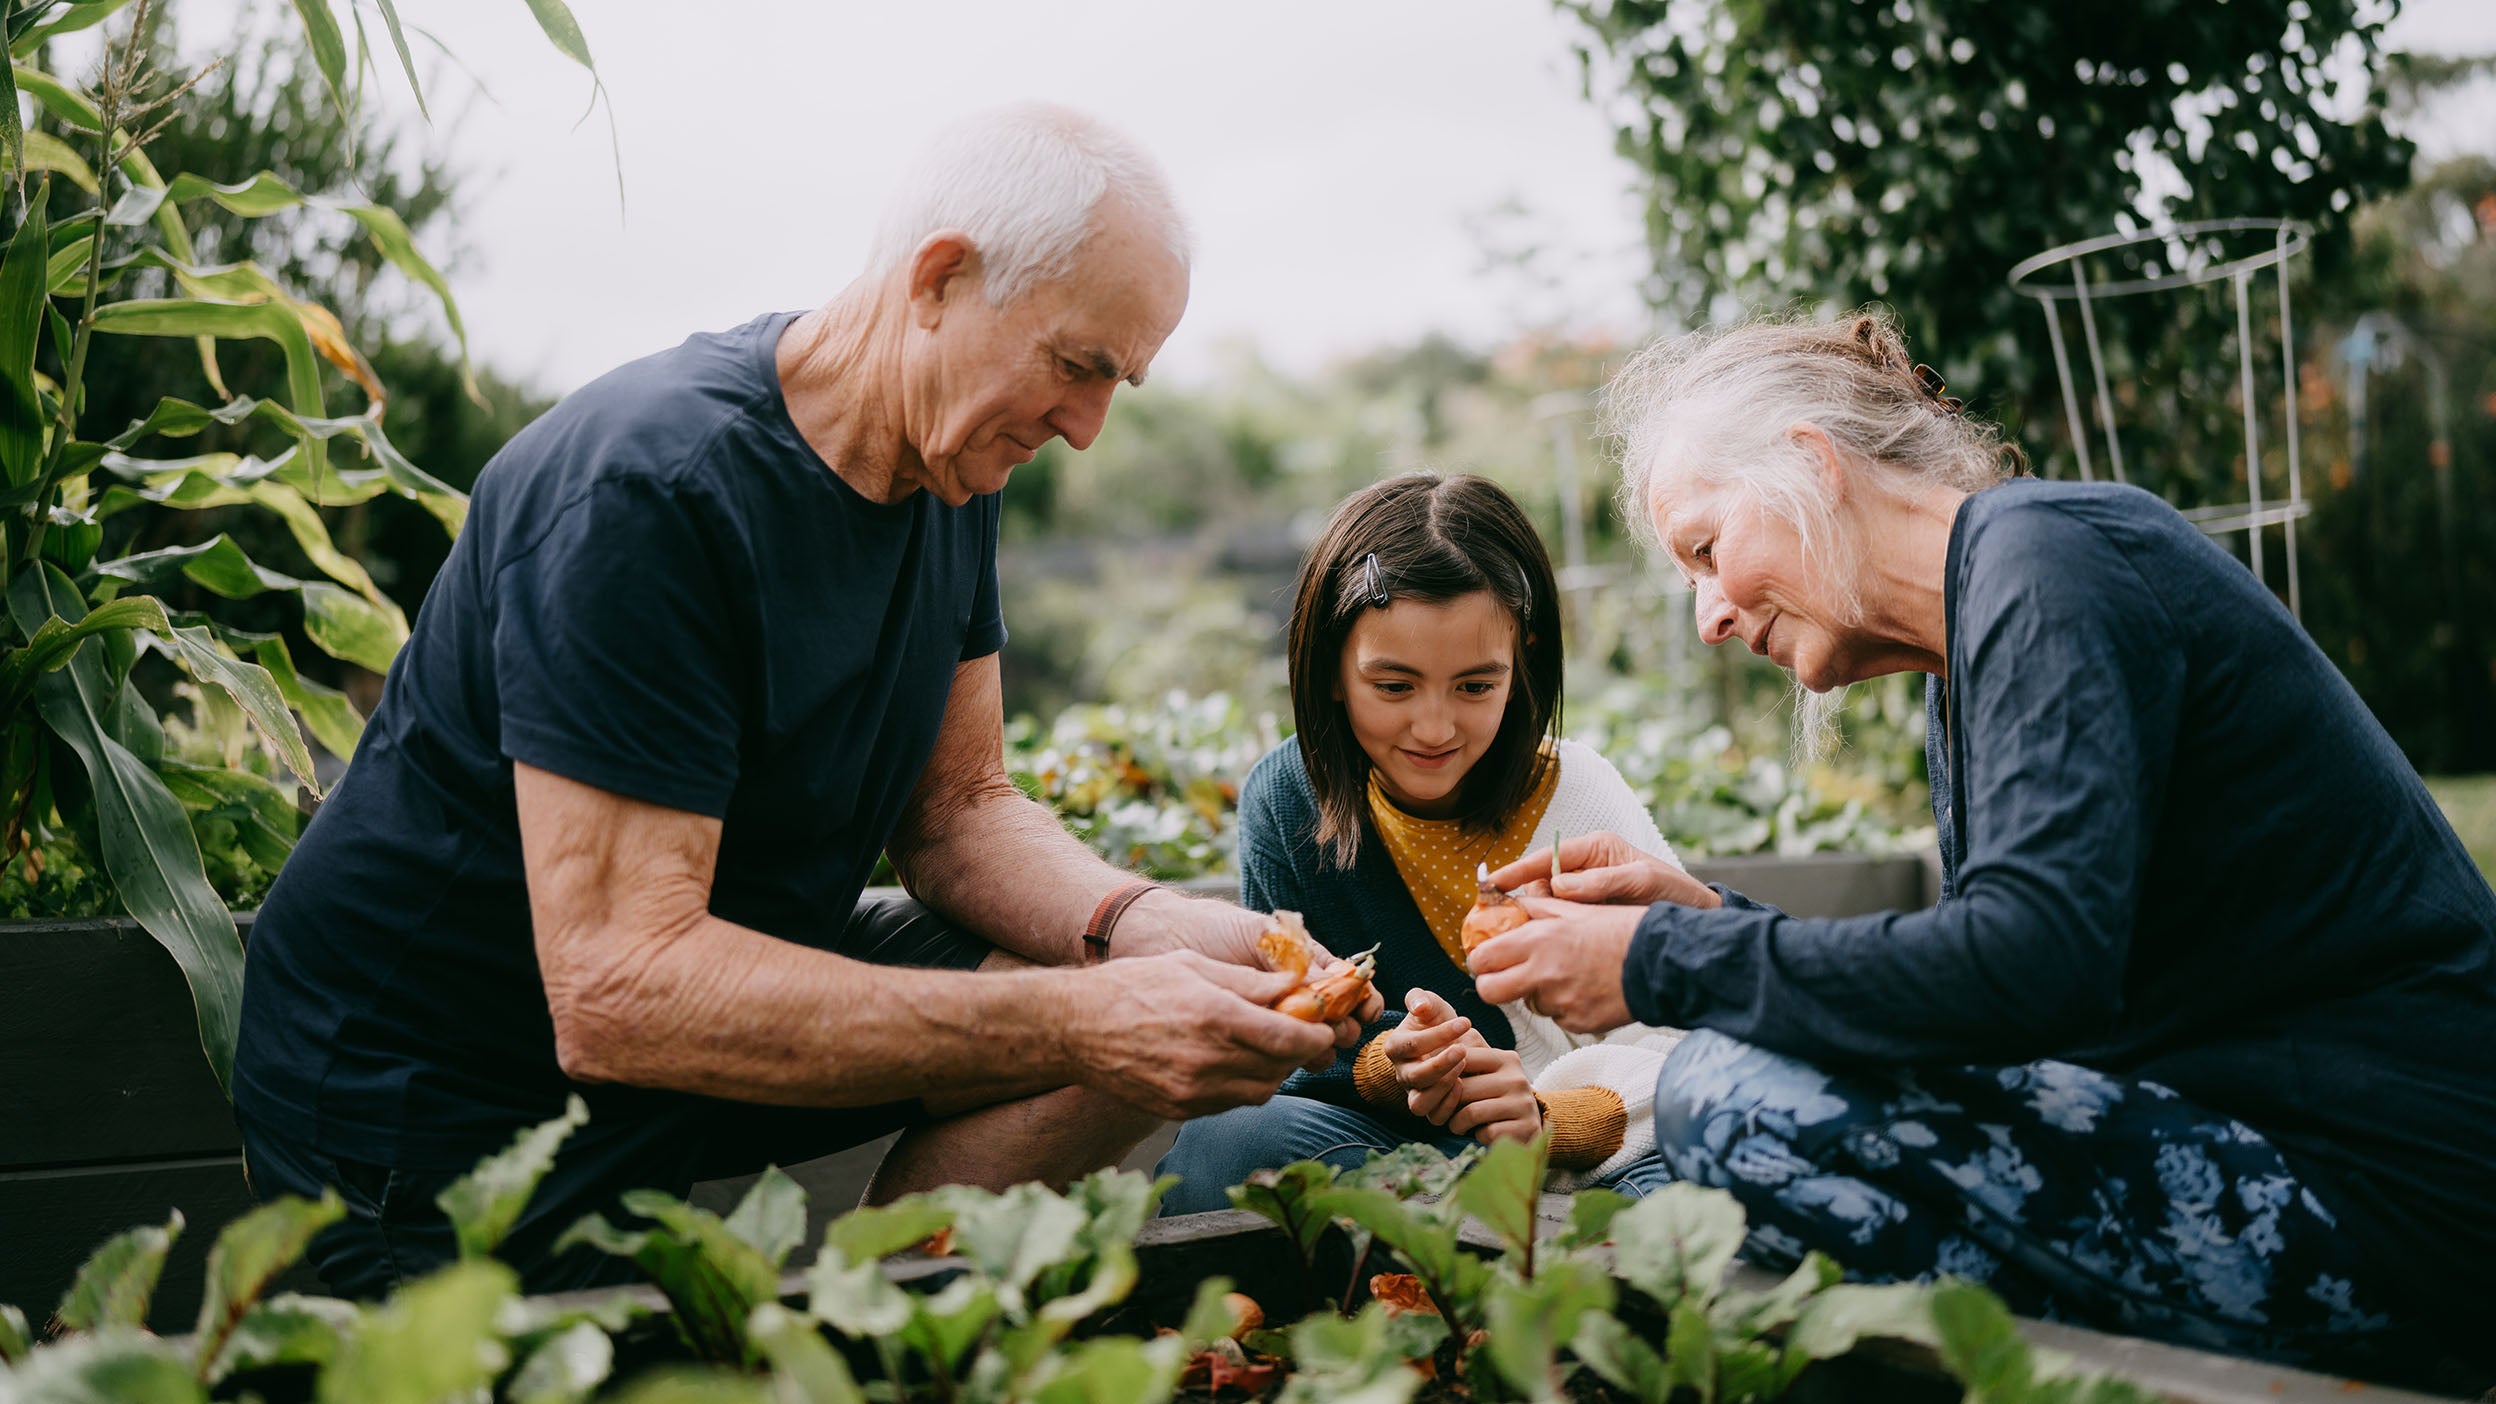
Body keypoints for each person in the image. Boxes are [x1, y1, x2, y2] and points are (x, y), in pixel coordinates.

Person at [233, 103, 1371, 1297]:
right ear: (940, 278)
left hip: (714, 990)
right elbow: (622, 990)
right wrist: (1085, 1021)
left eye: (1118, 386)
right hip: (436, 1087)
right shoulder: (647, 497)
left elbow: (960, 811)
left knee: (1126, 1023)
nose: (1086, 429)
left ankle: (881, 1347)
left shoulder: (953, 460)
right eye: (1079, 366)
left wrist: (1143, 931)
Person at [1470, 311, 2496, 1383]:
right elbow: (1997, 983)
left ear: (1810, 467)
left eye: (1706, 550)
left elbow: (2031, 967)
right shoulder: (1978, 635)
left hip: (2401, 1215)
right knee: (1731, 1100)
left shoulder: (2050, 563)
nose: (1707, 618)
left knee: (1725, 1100)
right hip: (2291, 1162)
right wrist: (1711, 928)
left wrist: (1656, 962)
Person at [1158, 473, 1686, 1213]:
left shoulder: (1579, 800)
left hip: (1586, 1163)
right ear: (1333, 670)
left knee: (1699, 1185)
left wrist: (1549, 1119)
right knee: (1229, 1144)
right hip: (1400, 1157)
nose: (1434, 729)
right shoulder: (1283, 801)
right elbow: (1294, 1046)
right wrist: (1388, 1066)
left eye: (1475, 687)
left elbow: (1686, 1043)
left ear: (1522, 664)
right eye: (1395, 687)